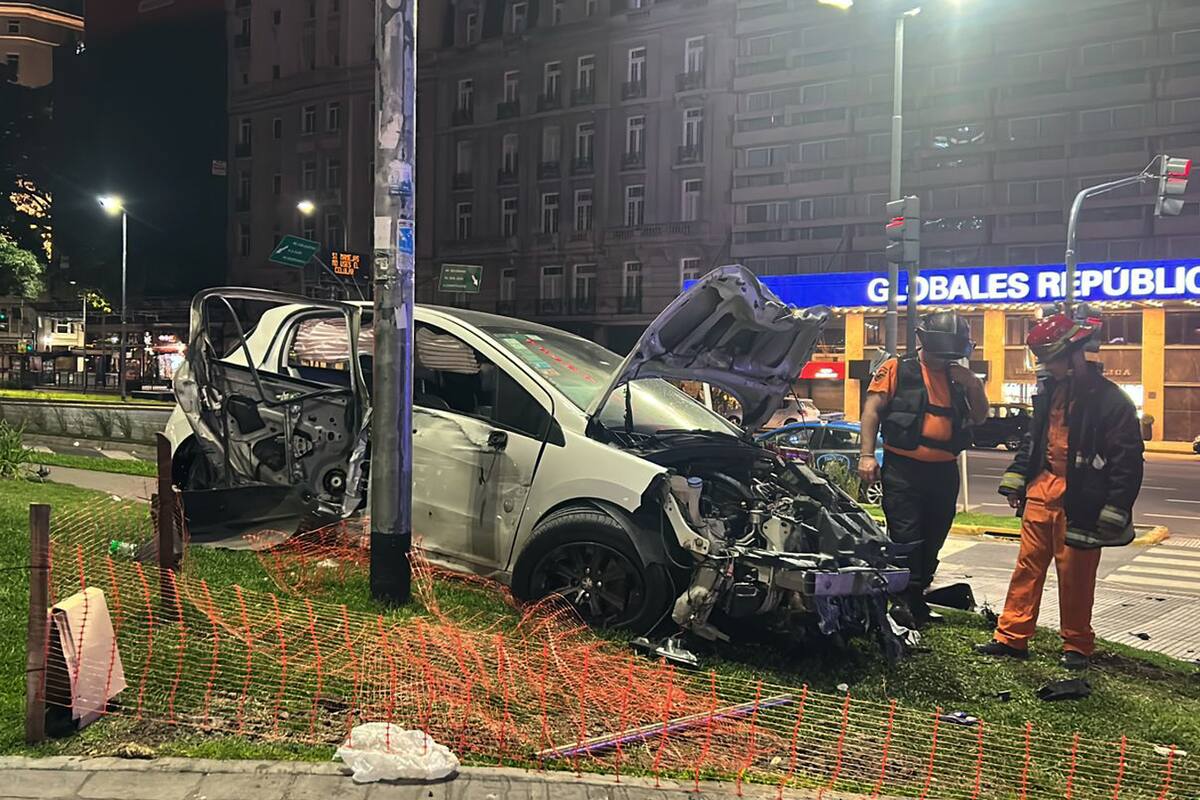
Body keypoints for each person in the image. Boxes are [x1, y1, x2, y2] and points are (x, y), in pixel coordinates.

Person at [976, 312, 1144, 670]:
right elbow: (1033, 443)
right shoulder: (1050, 394)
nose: (1047, 366)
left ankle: (1077, 646)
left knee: (1076, 578)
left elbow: (1127, 462)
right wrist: (1017, 479)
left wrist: (1115, 508)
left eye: (1051, 359)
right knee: (1027, 568)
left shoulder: (1111, 401)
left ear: (1074, 355)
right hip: (1042, 491)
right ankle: (1012, 637)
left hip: (1082, 499)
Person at [858, 311, 988, 626]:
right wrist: (865, 455)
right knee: (906, 535)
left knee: (934, 536)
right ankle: (902, 602)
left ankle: (918, 600)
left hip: (944, 472)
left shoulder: (959, 377)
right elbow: (872, 411)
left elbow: (981, 416)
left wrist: (973, 384)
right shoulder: (896, 368)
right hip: (903, 468)